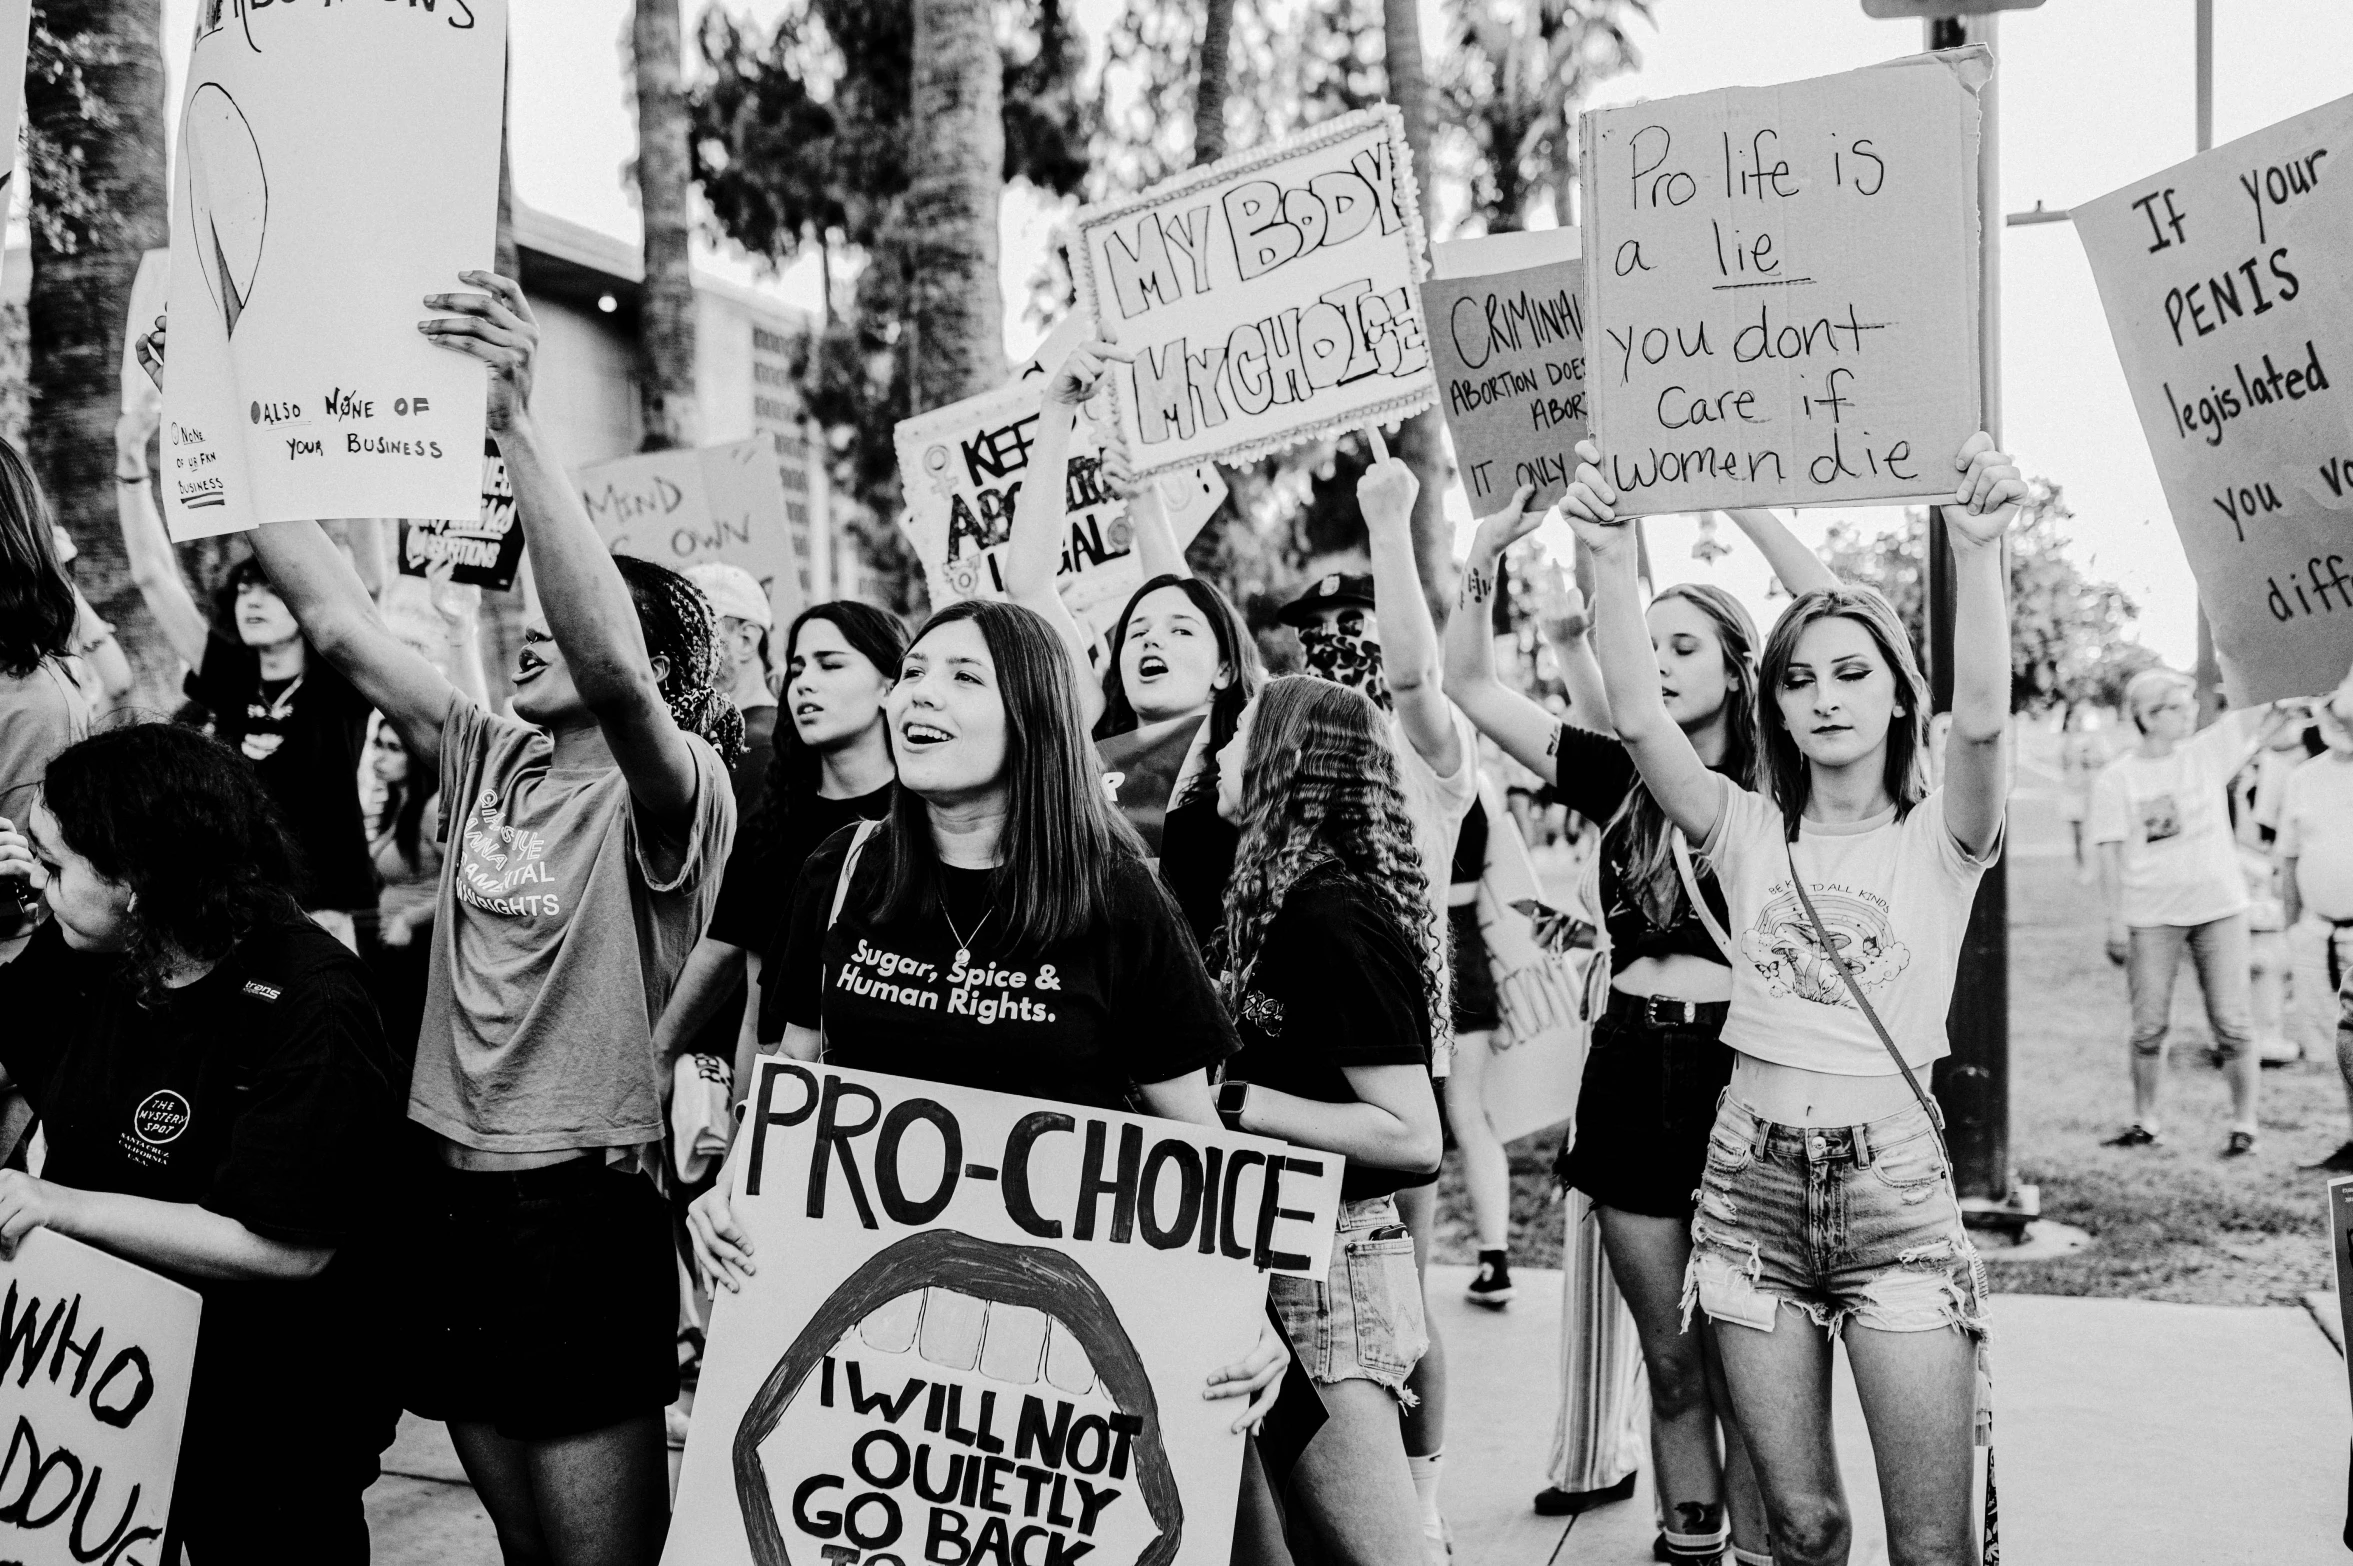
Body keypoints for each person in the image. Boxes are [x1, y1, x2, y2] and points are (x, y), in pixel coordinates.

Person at [141, 272, 743, 1566]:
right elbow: (344, 625)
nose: (527, 622)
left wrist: (518, 423)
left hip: (575, 1213)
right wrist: (233, 434)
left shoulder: (672, 793)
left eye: (558, 612)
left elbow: (619, 672)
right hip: (444, 1202)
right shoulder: (483, 750)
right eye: (520, 613)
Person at [1561, 430, 2022, 1566]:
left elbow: (1986, 723)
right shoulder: (1746, 831)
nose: (1823, 698)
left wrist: (1981, 554)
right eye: (1799, 678)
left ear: (1897, 696)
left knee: (1930, 1547)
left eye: (1853, 672)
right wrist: (1606, 558)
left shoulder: (1943, 838)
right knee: (1801, 1528)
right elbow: (1636, 719)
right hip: (1747, 1193)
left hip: (1893, 1202)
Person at [692, 597, 1285, 1429]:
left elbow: (1188, 1133)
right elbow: (794, 1078)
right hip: (864, 1342)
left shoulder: (1118, 896)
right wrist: (731, 1190)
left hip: (1047, 1355)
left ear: (1034, 718)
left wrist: (1237, 1304)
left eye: (964, 677)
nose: (916, 697)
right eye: (910, 675)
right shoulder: (840, 869)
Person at [1445, 490, 1830, 1562]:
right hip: (1627, 1070)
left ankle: (1758, 1545)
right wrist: (1483, 552)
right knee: (1669, 1359)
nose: (1654, 657)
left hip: (1743, 1076)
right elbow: (1469, 684)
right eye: (1644, 639)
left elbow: (1844, 620)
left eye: (1681, 644)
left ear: (1737, 669)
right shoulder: (1616, 771)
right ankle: (1687, 1539)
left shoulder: (1784, 783)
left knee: (1746, 1357)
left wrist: (1747, 501)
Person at [0, 723, 405, 1563]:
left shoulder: (312, 1004)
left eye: (54, 865)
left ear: (138, 885)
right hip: (105, 1385)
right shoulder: (88, 948)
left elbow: (289, 1250)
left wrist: (61, 1206)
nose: (39, 883)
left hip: (268, 1418)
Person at [1269, 441, 1482, 1561]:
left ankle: (1419, 1498)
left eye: (1359, 639)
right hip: (1311, 1056)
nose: (1345, 657)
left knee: (1400, 1295)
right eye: (1323, 645)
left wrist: (1388, 520)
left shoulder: (1422, 761)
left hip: (1406, 1062)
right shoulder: (1281, 768)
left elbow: (1415, 675)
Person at [1210, 673, 1447, 1566]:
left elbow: (1412, 1135)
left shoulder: (1331, 913)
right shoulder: (1273, 895)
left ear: (1285, 758)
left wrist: (1241, 1105)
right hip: (1282, 1250)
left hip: (1333, 1263)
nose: (1220, 752)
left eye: (1238, 736)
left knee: (1376, 1554)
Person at [993, 339, 1264, 941]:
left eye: (1178, 632)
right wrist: (1057, 412)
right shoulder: (1095, 730)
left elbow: (1176, 591)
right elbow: (1028, 583)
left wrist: (1144, 500)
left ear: (1225, 669)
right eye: (1136, 630)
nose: (1151, 641)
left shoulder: (1258, 759)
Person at [113, 402, 378, 945]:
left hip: (321, 919)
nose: (252, 600)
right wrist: (130, 456)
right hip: (237, 917)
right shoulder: (232, 676)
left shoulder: (338, 680)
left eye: (272, 588)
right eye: (244, 589)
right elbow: (152, 575)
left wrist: (357, 451)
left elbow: (370, 581)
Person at [659, 600, 906, 1098]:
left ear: (890, 686)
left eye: (830, 664)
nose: (805, 683)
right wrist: (742, 1143)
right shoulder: (773, 826)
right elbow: (758, 1010)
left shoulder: (927, 818)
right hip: (786, 1101)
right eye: (796, 668)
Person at [2090, 667, 2299, 1156]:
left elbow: (2258, 702)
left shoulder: (2207, 751)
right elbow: (2108, 853)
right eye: (2176, 707)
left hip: (2219, 910)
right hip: (2151, 916)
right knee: (2147, 1027)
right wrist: (2115, 919)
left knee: (2233, 1022)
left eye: (2189, 705)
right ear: (2146, 716)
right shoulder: (2116, 779)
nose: (2190, 714)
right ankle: (2146, 1120)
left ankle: (2245, 1124)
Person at [2285, 673, 2353, 1171]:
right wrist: (2293, 927)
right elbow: (2287, 858)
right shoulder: (2303, 777)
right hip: (2318, 930)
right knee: (2340, 1044)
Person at [365, 715, 442, 1056]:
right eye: (377, 745)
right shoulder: (401, 805)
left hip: (423, 951)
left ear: (418, 752)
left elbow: (471, 880)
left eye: (394, 748)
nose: (379, 757)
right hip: (400, 950)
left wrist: (409, 919)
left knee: (411, 1051)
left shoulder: (433, 808)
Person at [2057, 705, 2110, 880]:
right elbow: (2062, 764)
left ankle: (2098, 867)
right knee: (2077, 834)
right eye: (2072, 719)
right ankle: (2082, 867)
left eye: (2078, 719)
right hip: (2071, 790)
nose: (2075, 722)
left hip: (2089, 791)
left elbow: (2103, 760)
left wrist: (2088, 758)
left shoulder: (2092, 740)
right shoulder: (2065, 741)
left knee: (2095, 832)